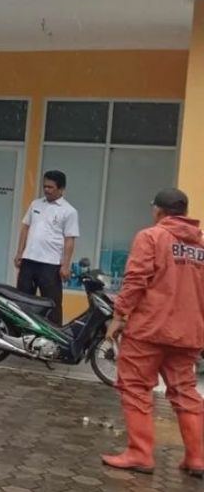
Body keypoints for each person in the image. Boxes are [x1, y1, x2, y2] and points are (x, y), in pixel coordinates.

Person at [102, 187, 204, 476]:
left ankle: (140, 453)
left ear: (158, 211)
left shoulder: (151, 236)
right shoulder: (200, 244)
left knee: (134, 388)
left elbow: (136, 280)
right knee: (185, 391)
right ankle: (197, 458)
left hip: (149, 330)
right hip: (188, 333)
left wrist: (119, 316)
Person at [13, 170, 79, 324]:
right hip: (29, 260)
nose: (47, 190)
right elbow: (25, 228)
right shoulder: (35, 204)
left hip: (50, 264)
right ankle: (18, 336)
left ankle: (53, 341)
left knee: (51, 304)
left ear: (61, 189)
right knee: (22, 301)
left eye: (51, 187)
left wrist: (66, 265)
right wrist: (19, 253)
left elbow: (69, 240)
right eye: (45, 187)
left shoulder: (69, 211)